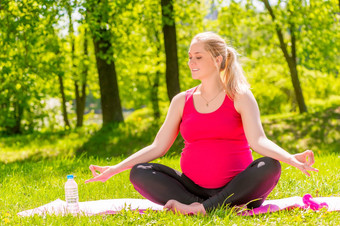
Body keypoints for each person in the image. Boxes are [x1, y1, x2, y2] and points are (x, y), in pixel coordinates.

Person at [85, 32, 318, 215]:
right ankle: (207, 206)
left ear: (217, 60)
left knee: (270, 166)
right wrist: (114, 170)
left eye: (198, 57)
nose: (191, 62)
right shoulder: (181, 101)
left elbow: (258, 141)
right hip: (192, 188)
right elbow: (157, 147)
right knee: (140, 172)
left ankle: (202, 208)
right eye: (189, 56)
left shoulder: (240, 96)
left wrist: (289, 158)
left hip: (238, 188)